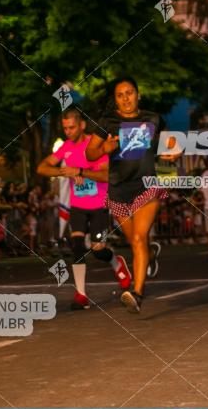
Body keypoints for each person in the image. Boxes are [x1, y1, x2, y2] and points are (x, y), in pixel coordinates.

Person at [86, 77, 178, 313]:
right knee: (135, 241)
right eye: (120, 94)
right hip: (118, 191)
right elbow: (90, 154)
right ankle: (150, 256)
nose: (126, 98)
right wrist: (104, 148)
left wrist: (173, 153)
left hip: (147, 187)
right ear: (115, 99)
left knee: (138, 239)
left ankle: (137, 294)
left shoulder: (153, 119)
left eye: (130, 93)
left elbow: (170, 144)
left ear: (138, 95)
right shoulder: (108, 121)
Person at [37, 108, 130, 310]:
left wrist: (82, 172)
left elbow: (107, 176)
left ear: (81, 125)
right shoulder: (66, 148)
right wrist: (65, 172)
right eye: (65, 128)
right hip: (77, 207)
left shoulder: (95, 146)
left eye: (71, 127)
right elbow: (42, 168)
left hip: (99, 206)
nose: (68, 131)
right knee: (77, 246)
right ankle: (81, 294)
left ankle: (116, 261)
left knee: (98, 250)